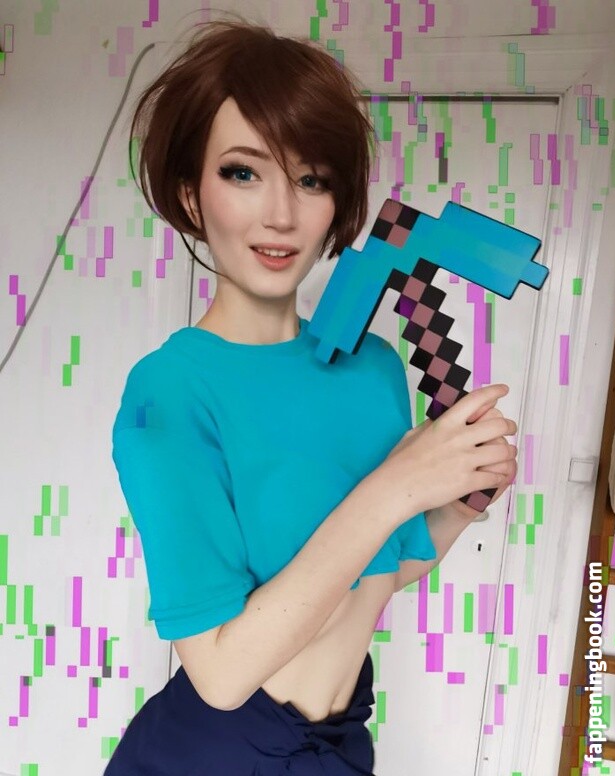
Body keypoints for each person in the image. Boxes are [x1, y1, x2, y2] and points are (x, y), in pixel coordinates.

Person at [104, 17, 517, 776]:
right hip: (211, 755)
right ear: (191, 195)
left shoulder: (375, 370)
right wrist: (398, 486)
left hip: (339, 745)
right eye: (243, 173)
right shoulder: (168, 392)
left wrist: (460, 502)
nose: (282, 215)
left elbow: (375, 575)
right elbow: (221, 673)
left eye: (311, 179)